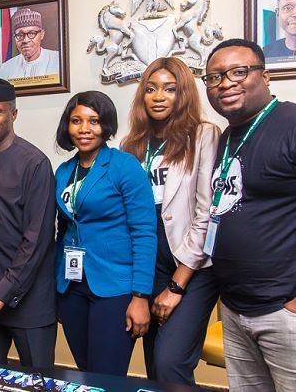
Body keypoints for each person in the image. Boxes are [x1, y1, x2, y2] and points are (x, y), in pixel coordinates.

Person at [202, 38, 296, 391]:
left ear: (266, 77)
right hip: (238, 310)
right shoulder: (230, 137)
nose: (226, 83)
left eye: (239, 72)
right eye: (215, 77)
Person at [121, 57, 221, 385]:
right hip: (149, 262)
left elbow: (206, 213)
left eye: (169, 89)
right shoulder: (131, 144)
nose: (159, 96)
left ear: (184, 94)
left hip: (191, 265)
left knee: (170, 363)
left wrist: (177, 285)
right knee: (154, 365)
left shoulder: (204, 134)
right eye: (150, 89)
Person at [54, 90, 156, 376]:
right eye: (76, 121)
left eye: (94, 121)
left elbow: (145, 233)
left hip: (115, 288)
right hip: (72, 287)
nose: (84, 129)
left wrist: (140, 297)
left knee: (107, 375)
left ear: (106, 125)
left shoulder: (125, 167)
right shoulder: (63, 171)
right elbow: (63, 229)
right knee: (87, 372)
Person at [0, 76, 57, 368]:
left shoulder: (35, 164)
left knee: (38, 383)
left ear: (13, 113)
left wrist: (1, 293)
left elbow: (37, 241)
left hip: (28, 302)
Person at [0, 8, 60, 80]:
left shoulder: (58, 60)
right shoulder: (5, 68)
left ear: (42, 34)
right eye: (20, 35)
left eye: (31, 33)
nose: (26, 40)